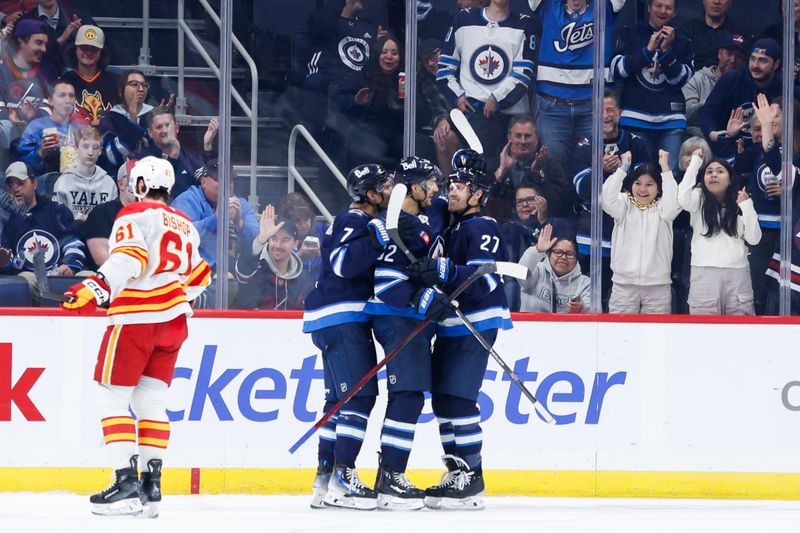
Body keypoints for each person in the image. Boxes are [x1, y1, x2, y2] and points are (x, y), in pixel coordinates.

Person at [59, 156, 210, 517]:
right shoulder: (188, 225)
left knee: (111, 396)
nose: (128, 190)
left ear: (141, 186)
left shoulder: (133, 215)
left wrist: (95, 287)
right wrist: (169, 293)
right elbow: (201, 277)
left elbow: (129, 258)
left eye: (131, 185)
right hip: (174, 323)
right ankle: (151, 486)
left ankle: (126, 482)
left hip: (135, 318)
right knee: (152, 403)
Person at [410, 161, 511, 510]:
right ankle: (456, 470)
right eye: (451, 183)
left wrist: (446, 270)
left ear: (479, 194)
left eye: (462, 185)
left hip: (477, 323)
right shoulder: (455, 226)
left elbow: (485, 281)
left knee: (459, 398)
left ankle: (473, 476)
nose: (452, 189)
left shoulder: (482, 226)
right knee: (441, 400)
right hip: (453, 324)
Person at [302, 163, 394, 510]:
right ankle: (344, 476)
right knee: (360, 397)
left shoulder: (359, 221)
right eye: (383, 186)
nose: (388, 190)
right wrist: (375, 237)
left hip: (333, 318)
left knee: (339, 401)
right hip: (341, 317)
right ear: (369, 195)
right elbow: (342, 262)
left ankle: (325, 477)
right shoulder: (355, 220)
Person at [363, 157, 444, 510]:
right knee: (407, 395)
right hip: (396, 315)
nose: (437, 189)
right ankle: (391, 475)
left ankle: (389, 474)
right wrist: (421, 296)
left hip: (407, 316)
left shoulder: (414, 222)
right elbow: (386, 282)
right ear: (414, 187)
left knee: (410, 395)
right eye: (431, 182)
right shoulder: (399, 225)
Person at [529, 0, 626, 163]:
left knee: (593, 166)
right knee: (555, 168)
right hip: (552, 108)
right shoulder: (549, 7)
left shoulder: (603, 9)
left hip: (592, 109)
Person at [437, 0, 535, 158]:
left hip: (512, 116)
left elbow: (523, 74)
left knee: (512, 172)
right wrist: (458, 96)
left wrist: (496, 98)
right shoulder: (463, 19)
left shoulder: (524, 23)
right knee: (481, 167)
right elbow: (444, 70)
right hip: (474, 113)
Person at [610, 0, 693, 171]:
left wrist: (666, 52)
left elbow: (680, 80)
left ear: (675, 12)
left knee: (669, 175)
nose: (663, 11)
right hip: (636, 119)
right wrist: (647, 52)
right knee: (641, 175)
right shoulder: (629, 34)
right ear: (649, 8)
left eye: (668, 7)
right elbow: (616, 71)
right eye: (658, 5)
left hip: (671, 122)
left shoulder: (683, 41)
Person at [677, 150, 761, 315]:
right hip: (704, 273)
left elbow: (754, 239)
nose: (713, 175)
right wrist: (695, 163)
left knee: (740, 330)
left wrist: (747, 206)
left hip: (738, 274)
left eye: (720, 171)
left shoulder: (742, 201)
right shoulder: (698, 198)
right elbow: (682, 199)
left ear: (730, 179)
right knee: (704, 331)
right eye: (709, 172)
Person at [171, 158, 258, 305]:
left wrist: (240, 223)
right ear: (204, 182)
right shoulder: (187, 200)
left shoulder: (240, 204)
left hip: (236, 277)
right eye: (219, 179)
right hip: (195, 279)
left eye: (230, 180)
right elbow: (180, 237)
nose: (226, 185)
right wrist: (216, 219)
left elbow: (257, 240)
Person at [602, 150, 681, 314]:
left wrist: (665, 167)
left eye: (649, 184)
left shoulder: (664, 208)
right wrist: (622, 168)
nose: (642, 189)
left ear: (659, 188)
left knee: (656, 336)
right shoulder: (623, 204)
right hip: (623, 285)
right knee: (621, 335)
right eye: (638, 183)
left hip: (657, 287)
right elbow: (606, 199)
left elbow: (673, 203)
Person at [0, 160, 86, 303]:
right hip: (30, 281)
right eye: (11, 184)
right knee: (26, 279)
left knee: (89, 276)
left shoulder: (57, 212)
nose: (15, 189)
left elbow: (73, 243)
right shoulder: (8, 221)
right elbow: (13, 261)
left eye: (20, 183)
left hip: (59, 275)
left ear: (34, 184)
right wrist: (4, 262)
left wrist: (70, 265)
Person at [698, 38, 783, 159]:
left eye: (763, 61)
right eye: (753, 59)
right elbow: (707, 112)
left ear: (776, 64)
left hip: (768, 154)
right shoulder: (731, 79)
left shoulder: (786, 88)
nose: (755, 65)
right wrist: (713, 134)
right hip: (729, 152)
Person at [489, 115, 576, 224]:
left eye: (528, 136)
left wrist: (536, 173)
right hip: (502, 227)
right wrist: (501, 170)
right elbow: (481, 200)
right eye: (518, 136)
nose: (523, 141)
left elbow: (558, 205)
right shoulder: (495, 165)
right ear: (509, 138)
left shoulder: (551, 166)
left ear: (537, 137)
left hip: (541, 227)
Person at [335, 33, 405, 168]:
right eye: (384, 52)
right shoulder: (362, 77)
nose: (389, 57)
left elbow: (417, 112)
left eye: (394, 53)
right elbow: (340, 102)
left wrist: (407, 97)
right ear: (376, 55)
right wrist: (356, 102)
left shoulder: (405, 80)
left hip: (397, 136)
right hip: (367, 134)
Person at [233, 210, 315, 310]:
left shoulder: (304, 278)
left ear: (295, 244)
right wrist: (261, 239)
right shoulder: (256, 268)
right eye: (274, 238)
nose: (277, 245)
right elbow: (243, 274)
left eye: (285, 240)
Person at [683, 33, 747, 136]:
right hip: (700, 135)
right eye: (729, 54)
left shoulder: (745, 85)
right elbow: (686, 115)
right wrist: (714, 100)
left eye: (738, 56)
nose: (733, 60)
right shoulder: (698, 78)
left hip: (732, 135)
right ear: (720, 54)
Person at [15, 78, 83, 174]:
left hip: (75, 181)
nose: (67, 100)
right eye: (62, 95)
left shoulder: (80, 129)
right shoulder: (35, 127)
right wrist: (40, 153)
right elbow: (21, 163)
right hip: (45, 182)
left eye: (71, 96)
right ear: (50, 101)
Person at [518, 224, 590, 313]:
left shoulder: (585, 283)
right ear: (549, 254)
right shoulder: (537, 271)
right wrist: (537, 250)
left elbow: (594, 311)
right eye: (558, 252)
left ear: (577, 258)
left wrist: (582, 307)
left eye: (570, 254)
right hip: (532, 325)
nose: (563, 257)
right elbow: (521, 273)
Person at [81, 159, 137, 270]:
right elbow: (102, 258)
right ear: (122, 184)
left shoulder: (152, 214)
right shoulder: (102, 213)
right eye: (136, 181)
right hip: (109, 277)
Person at [0, 19, 59, 125]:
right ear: (21, 41)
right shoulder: (2, 70)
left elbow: (53, 110)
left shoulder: (48, 70)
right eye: (39, 43)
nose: (44, 49)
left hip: (39, 133)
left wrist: (33, 115)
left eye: (45, 44)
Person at [143, 108, 210, 199]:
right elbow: (157, 193)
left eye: (168, 126)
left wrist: (208, 149)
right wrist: (173, 157)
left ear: (177, 128)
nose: (165, 131)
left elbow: (208, 188)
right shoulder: (144, 161)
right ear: (150, 132)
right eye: (159, 127)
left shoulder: (193, 157)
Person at [52, 126, 116, 221]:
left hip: (101, 233)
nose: (90, 152)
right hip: (71, 233)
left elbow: (112, 217)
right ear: (76, 148)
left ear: (100, 150)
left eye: (95, 147)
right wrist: (78, 218)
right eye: (85, 146)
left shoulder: (109, 183)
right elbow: (57, 217)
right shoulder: (64, 181)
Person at [60, 25, 118, 126]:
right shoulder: (65, 80)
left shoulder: (114, 80)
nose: (88, 52)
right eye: (83, 48)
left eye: (94, 49)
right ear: (75, 49)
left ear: (101, 52)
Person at [21, 0, 93, 73]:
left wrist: (81, 35)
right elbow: (23, 56)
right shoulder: (26, 22)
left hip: (76, 75)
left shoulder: (78, 16)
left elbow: (98, 46)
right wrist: (61, 39)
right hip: (41, 76)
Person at [681, 0, 749, 71]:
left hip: (725, 78)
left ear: (730, 2)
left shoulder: (739, 32)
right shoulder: (687, 29)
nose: (716, 1)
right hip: (692, 77)